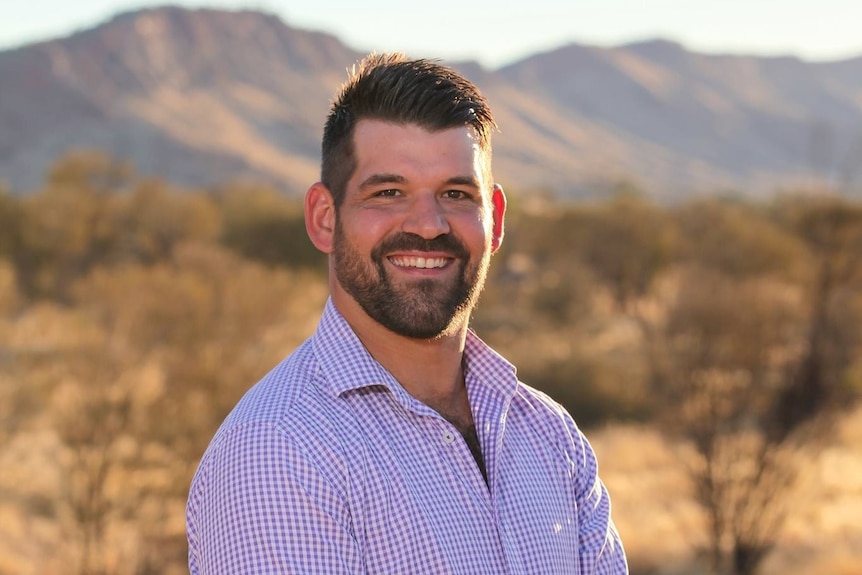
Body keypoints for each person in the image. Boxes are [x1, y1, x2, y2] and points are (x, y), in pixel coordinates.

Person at [186, 52, 627, 574]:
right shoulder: (278, 450)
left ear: (496, 218)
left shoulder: (549, 435)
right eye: (388, 193)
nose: (428, 225)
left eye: (457, 194)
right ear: (325, 219)